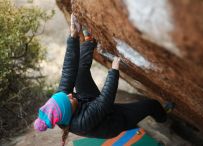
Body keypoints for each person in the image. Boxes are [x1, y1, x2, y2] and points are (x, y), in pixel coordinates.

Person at [34, 14, 174, 146]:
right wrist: (113, 71)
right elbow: (104, 102)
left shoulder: (61, 101)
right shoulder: (81, 123)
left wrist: (73, 35)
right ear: (69, 112)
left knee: (79, 73)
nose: (70, 94)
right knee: (151, 105)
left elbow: (68, 70)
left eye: (66, 95)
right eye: (69, 99)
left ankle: (89, 41)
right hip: (112, 118)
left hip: (87, 101)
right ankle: (163, 116)